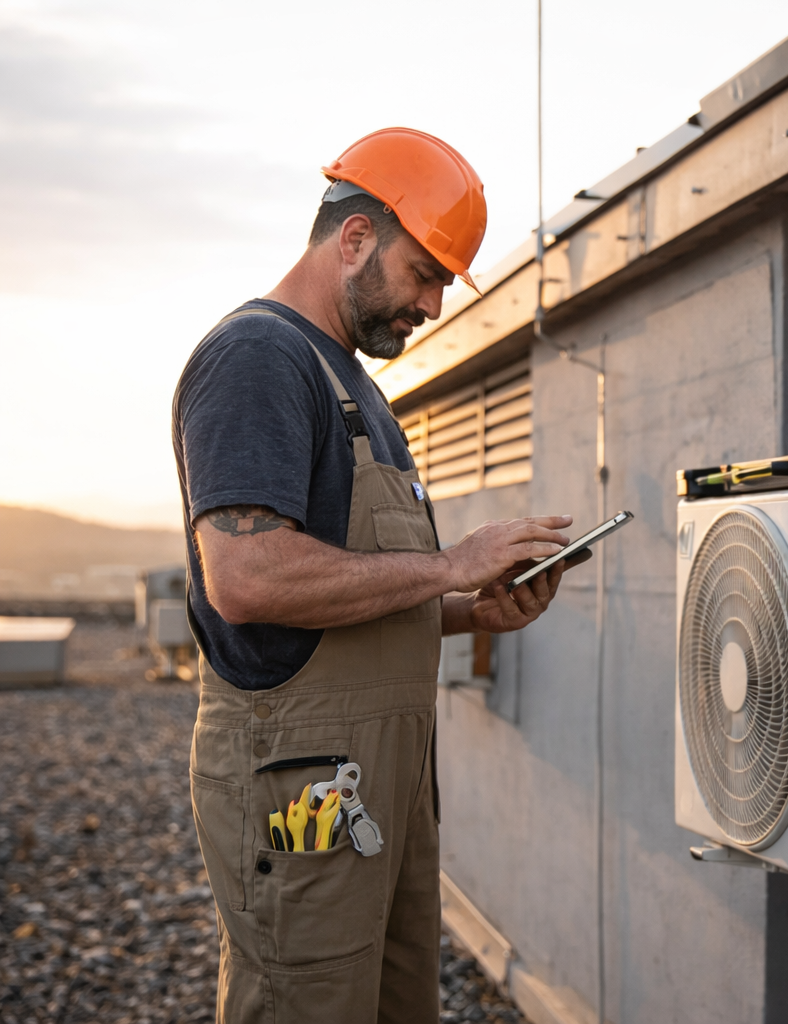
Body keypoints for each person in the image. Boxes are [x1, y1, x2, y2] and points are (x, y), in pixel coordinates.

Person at [172, 128, 571, 1023]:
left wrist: (470, 609)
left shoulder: (352, 384)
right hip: (303, 785)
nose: (432, 304)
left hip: (380, 788)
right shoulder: (258, 358)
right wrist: (452, 563)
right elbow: (246, 577)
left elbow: (351, 594)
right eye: (425, 274)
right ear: (355, 238)